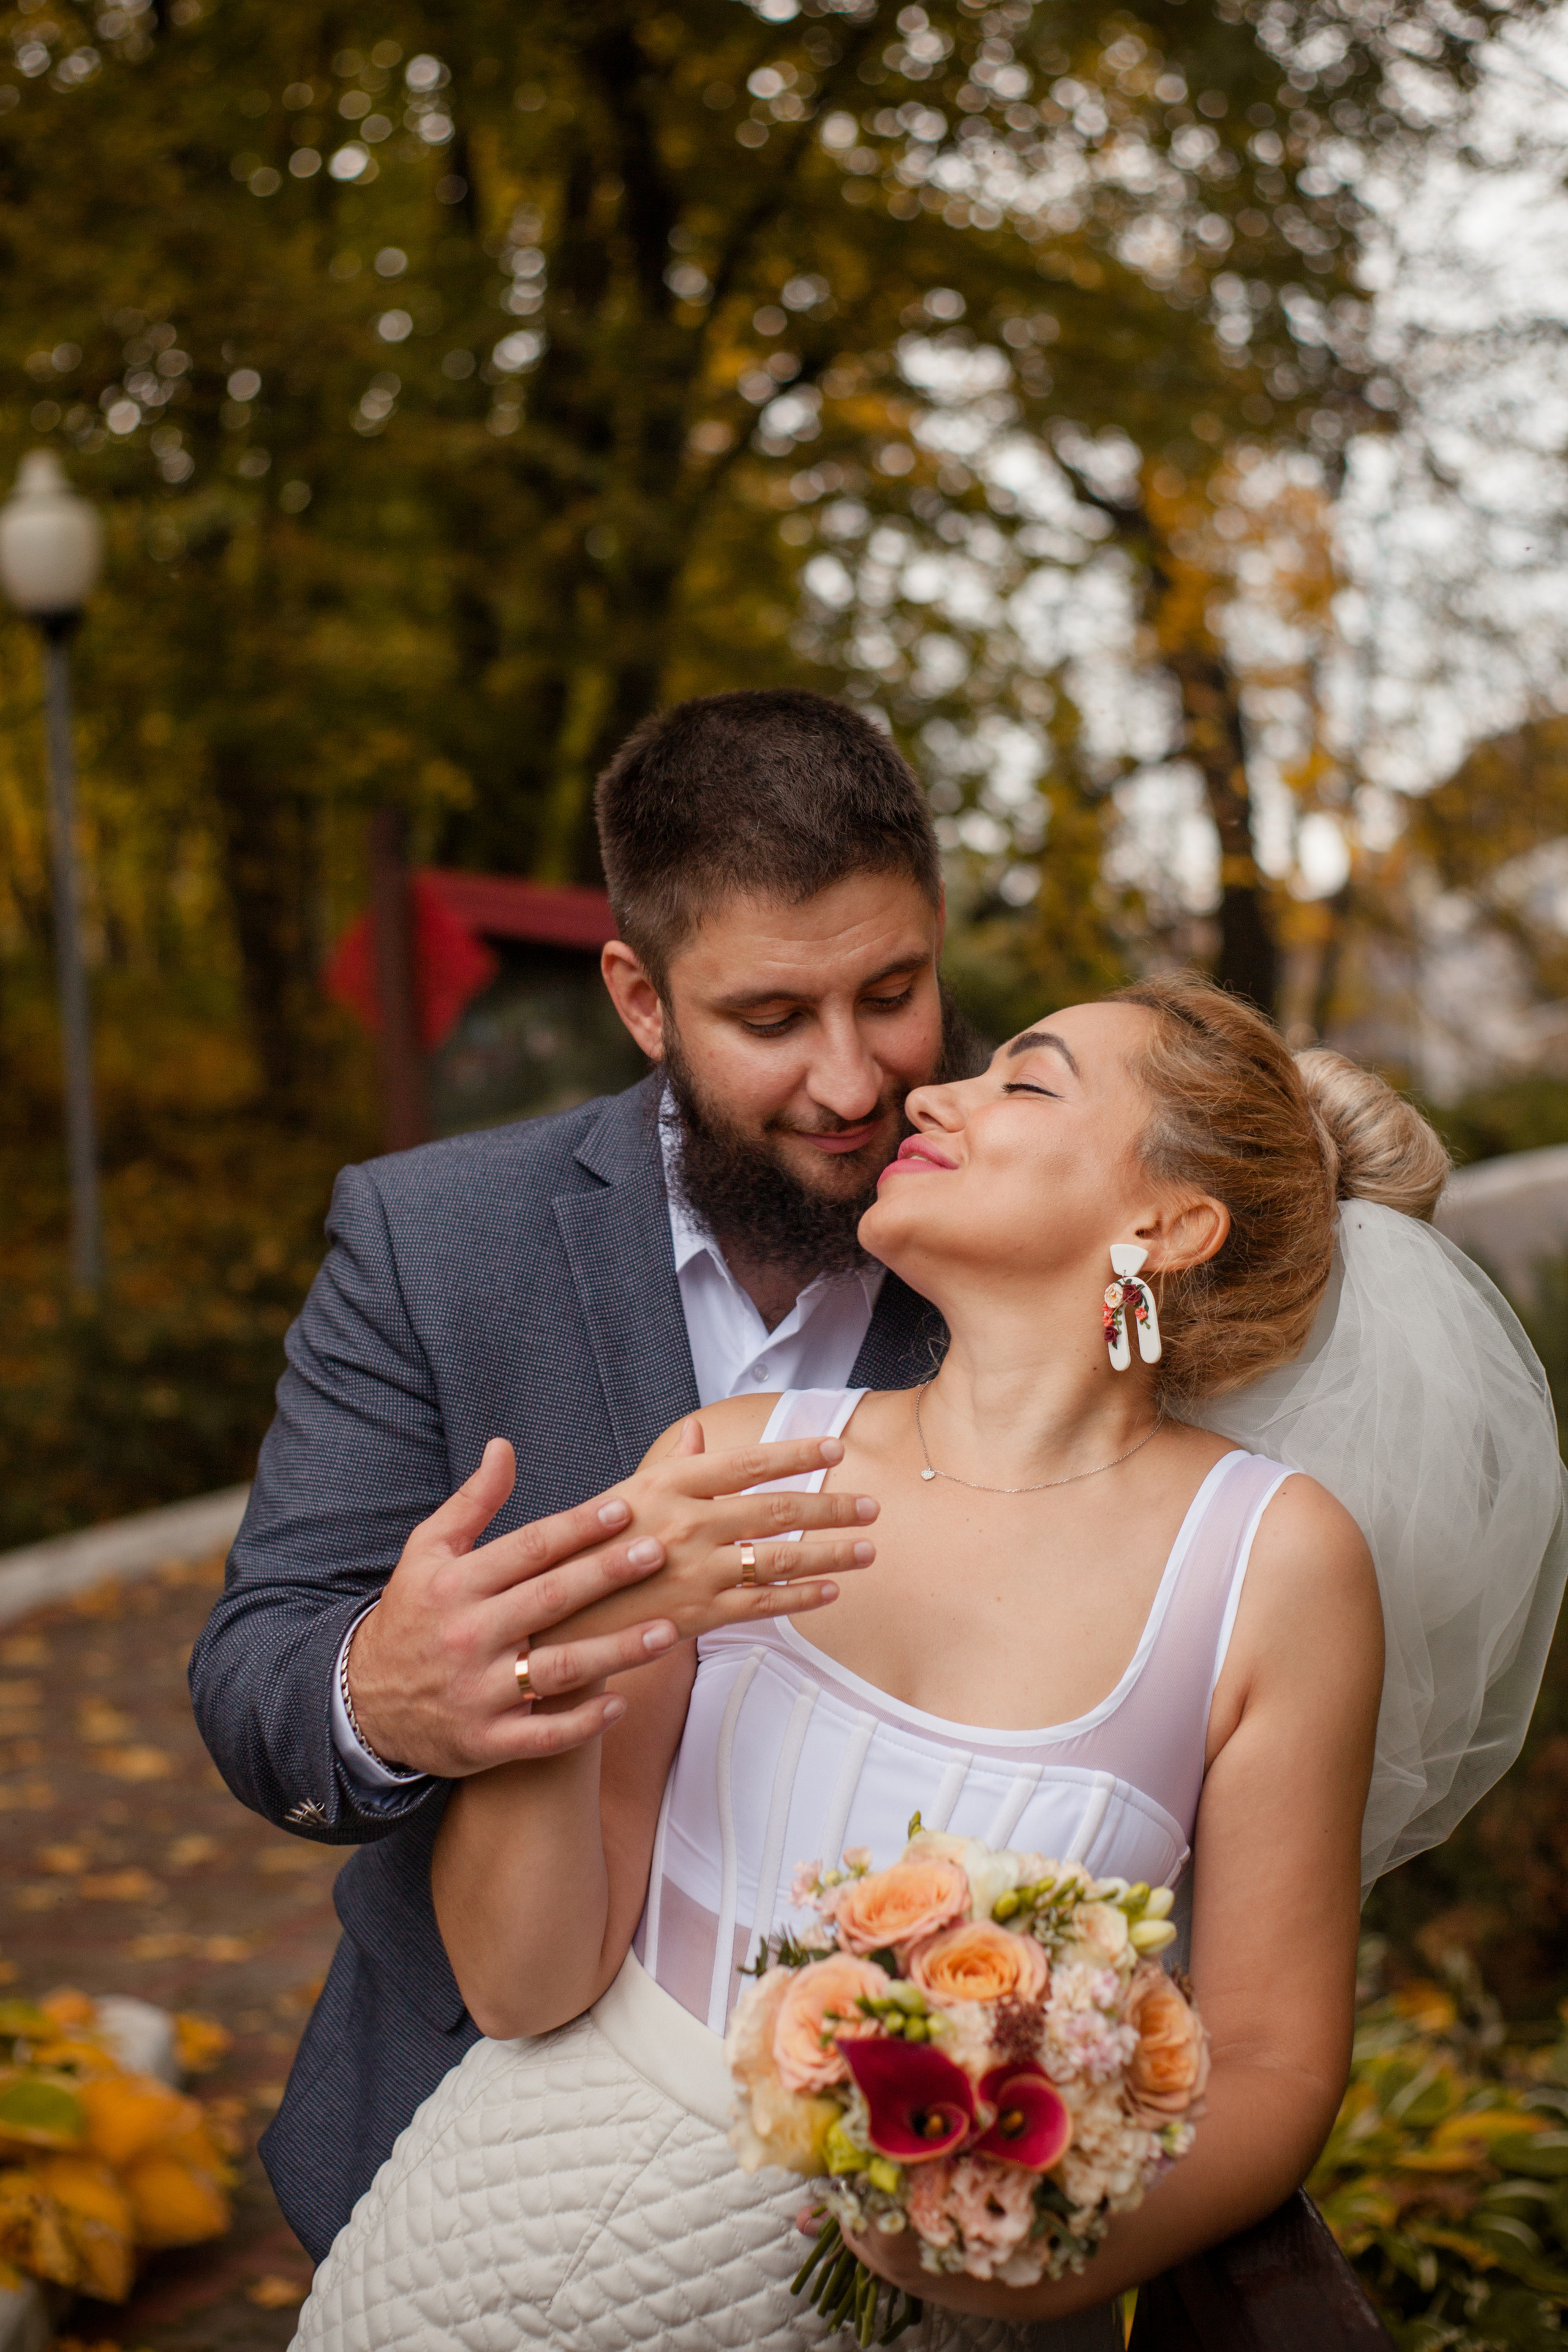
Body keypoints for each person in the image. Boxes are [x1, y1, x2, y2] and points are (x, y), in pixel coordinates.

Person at [290, 974, 1566, 2350]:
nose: (926, 1094)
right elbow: (520, 1984)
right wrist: (570, 1646)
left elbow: (1270, 2060)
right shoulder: (727, 1461)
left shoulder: (1271, 1562)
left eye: (1022, 1084)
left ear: (1166, 1223)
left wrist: (1034, 2247)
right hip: (495, 2242)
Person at [188, 689, 981, 2258]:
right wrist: (386, 1688)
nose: (849, 1083)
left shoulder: (1038, 1216)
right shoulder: (431, 1239)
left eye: (892, 991)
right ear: (640, 997)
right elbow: (260, 1668)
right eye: (770, 1020)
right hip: (473, 2133)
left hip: (920, 2182)